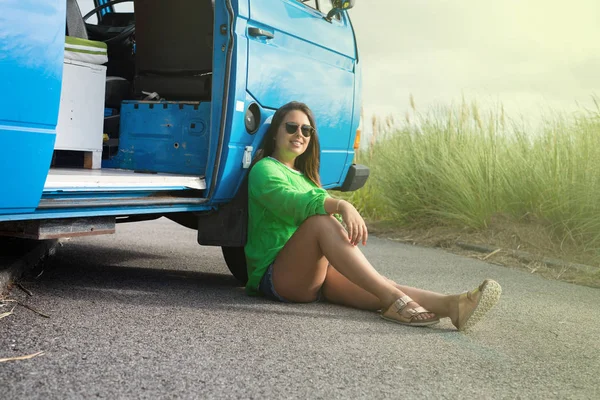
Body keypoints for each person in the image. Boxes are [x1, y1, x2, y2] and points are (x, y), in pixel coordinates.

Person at [244, 101, 501, 331]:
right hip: (277, 276)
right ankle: (394, 301)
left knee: (375, 283)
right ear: (276, 132)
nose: (299, 134)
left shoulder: (308, 180)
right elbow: (293, 204)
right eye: (291, 127)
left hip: (315, 277)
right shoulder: (264, 169)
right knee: (321, 222)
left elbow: (311, 204)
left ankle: (454, 306)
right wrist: (340, 205)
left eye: (306, 130)